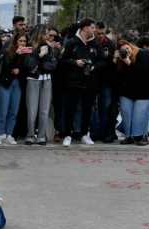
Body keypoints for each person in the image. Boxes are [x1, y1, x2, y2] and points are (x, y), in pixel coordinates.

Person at [60, 18, 104, 147]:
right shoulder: (72, 42)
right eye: (92, 27)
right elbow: (63, 61)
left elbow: (103, 61)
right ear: (85, 28)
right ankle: (68, 135)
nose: (94, 30)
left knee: (87, 109)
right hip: (73, 82)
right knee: (70, 109)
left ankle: (85, 134)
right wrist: (75, 62)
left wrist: (94, 66)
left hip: (90, 82)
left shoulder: (95, 44)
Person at [115, 40, 149, 146]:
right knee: (126, 113)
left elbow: (143, 73)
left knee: (141, 114)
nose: (126, 51)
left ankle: (140, 136)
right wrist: (116, 60)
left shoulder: (143, 54)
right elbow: (118, 76)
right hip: (127, 90)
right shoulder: (120, 59)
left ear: (130, 46)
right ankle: (128, 136)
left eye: (127, 48)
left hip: (144, 89)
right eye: (123, 50)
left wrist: (128, 62)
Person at [0, 32, 29, 145]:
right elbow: (5, 66)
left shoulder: (26, 53)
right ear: (15, 42)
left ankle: (9, 134)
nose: (22, 43)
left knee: (14, 111)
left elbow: (27, 69)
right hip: (5, 83)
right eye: (20, 41)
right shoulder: (7, 52)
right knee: (2, 110)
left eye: (24, 41)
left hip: (17, 84)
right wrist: (16, 55)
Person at [24, 26, 57, 145]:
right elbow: (29, 65)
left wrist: (42, 66)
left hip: (47, 80)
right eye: (46, 33)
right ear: (40, 34)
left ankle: (42, 136)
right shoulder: (29, 47)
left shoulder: (49, 47)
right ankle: (30, 135)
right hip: (33, 80)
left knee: (44, 110)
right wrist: (40, 55)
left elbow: (53, 64)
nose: (48, 36)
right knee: (32, 110)